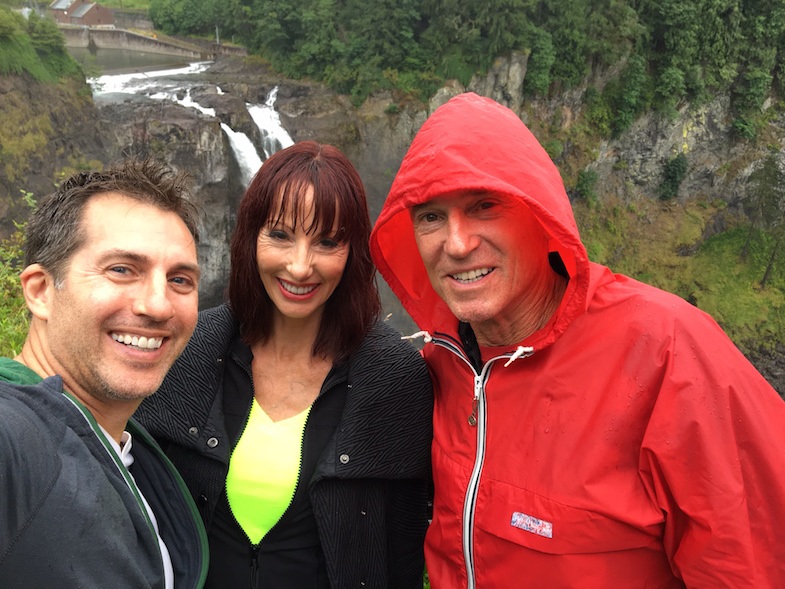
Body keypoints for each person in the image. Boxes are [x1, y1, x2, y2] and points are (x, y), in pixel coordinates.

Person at [369, 92, 785, 588]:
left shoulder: (671, 355)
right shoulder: (438, 367)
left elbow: (749, 565)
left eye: (484, 205)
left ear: (539, 213)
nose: (456, 244)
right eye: (430, 216)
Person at [135, 141, 433, 588]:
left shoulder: (394, 379)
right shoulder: (188, 352)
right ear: (250, 237)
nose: (299, 266)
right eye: (280, 235)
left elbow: (402, 551)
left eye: (327, 241)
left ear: (353, 252)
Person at [0, 159, 208, 588]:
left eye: (180, 280)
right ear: (41, 291)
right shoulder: (15, 438)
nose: (158, 304)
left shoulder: (128, 452)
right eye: (121, 269)